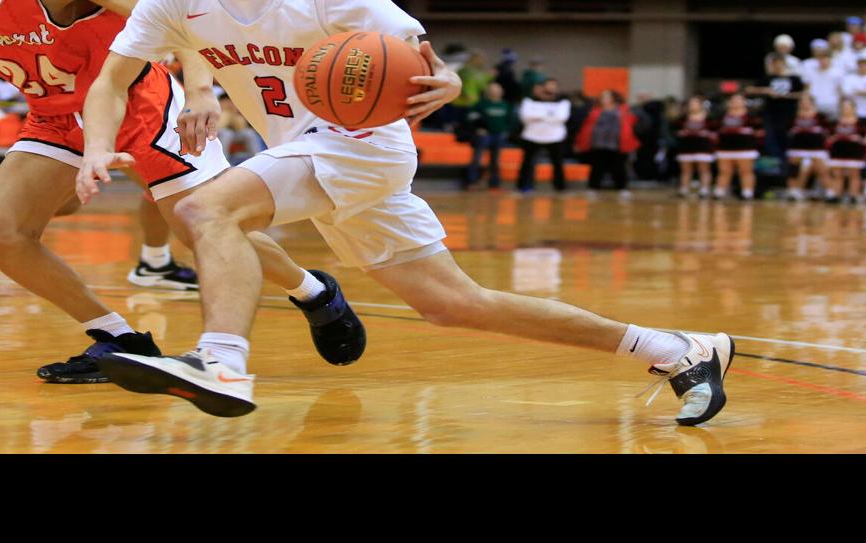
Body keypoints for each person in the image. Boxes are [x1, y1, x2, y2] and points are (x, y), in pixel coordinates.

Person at [80, 0, 739, 426]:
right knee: (455, 303)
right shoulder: (174, 5)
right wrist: (98, 148)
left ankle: (219, 360)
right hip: (309, 153)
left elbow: (419, 53)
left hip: (362, 147)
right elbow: (112, 80)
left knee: (207, 209)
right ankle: (679, 349)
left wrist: (447, 78)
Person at [0, 0, 361, 387]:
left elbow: (181, 20)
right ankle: (117, 338)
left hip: (142, 106)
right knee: (2, 234)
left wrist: (202, 91)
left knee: (204, 227)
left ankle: (315, 293)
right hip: (58, 118)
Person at [573, 88, 637, 194]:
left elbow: (631, 124)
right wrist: (580, 142)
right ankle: (593, 188)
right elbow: (586, 127)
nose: (604, 99)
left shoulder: (623, 110)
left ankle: (622, 188)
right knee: (597, 167)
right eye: (603, 97)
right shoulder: (594, 110)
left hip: (617, 143)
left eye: (607, 96)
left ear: (613, 98)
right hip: (598, 143)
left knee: (619, 167)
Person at [517, 78, 569, 193]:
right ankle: (523, 186)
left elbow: (562, 117)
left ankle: (560, 188)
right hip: (532, 137)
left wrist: (538, 116)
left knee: (558, 164)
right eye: (548, 86)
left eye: (553, 86)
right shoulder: (529, 101)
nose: (550, 88)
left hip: (555, 138)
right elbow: (526, 117)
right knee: (527, 163)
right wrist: (550, 117)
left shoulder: (562, 102)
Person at [749, 52, 803, 160]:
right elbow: (749, 89)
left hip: (789, 113)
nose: (777, 66)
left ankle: (786, 162)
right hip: (771, 113)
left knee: (786, 137)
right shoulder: (768, 78)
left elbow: (803, 93)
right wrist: (766, 90)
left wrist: (788, 95)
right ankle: (776, 161)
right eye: (775, 64)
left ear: (784, 64)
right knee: (771, 137)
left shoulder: (793, 79)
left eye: (780, 63)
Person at [463, 81, 511, 190]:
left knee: (495, 160)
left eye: (497, 89)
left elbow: (511, 120)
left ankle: (494, 183)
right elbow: (471, 117)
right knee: (477, 158)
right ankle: (471, 181)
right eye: (492, 89)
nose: (495, 91)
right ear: (488, 91)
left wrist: (506, 130)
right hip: (484, 135)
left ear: (501, 91)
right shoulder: (481, 104)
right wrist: (478, 128)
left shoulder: (505, 105)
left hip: (499, 135)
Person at [710, 94, 758, 200]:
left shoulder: (751, 116)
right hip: (725, 148)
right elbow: (714, 129)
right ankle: (720, 191)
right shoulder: (721, 115)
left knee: (745, 171)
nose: (736, 102)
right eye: (733, 100)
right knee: (724, 171)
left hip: (745, 148)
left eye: (739, 100)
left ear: (744, 102)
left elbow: (758, 131)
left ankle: (747, 192)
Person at [784, 96, 828, 201]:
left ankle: (830, 192)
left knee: (821, 170)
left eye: (807, 101)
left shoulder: (820, 117)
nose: (804, 104)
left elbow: (827, 132)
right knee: (794, 170)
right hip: (797, 147)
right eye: (802, 101)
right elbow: (788, 130)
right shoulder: (793, 116)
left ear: (812, 103)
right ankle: (793, 191)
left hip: (816, 148)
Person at [825, 99, 866, 204]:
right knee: (837, 174)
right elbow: (828, 136)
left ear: (854, 109)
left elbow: (865, 138)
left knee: (854, 175)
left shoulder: (860, 123)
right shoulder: (834, 122)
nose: (846, 109)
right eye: (844, 107)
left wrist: (856, 138)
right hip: (838, 151)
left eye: (848, 107)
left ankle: (853, 196)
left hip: (854, 151)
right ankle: (836, 195)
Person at [672, 95, 715, 199]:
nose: (693, 105)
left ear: (701, 105)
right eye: (691, 103)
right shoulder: (682, 118)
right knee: (686, 170)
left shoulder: (710, 118)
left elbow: (715, 130)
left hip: (703, 146)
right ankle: (684, 189)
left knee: (704, 169)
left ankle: (704, 189)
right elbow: (674, 129)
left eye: (695, 103)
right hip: (687, 146)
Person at [800, 39, 843, 119]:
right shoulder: (810, 71)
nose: (823, 61)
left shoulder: (838, 72)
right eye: (820, 58)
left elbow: (839, 89)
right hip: (815, 105)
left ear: (830, 59)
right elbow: (807, 88)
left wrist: (840, 105)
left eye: (825, 58)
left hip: (832, 105)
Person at [839, 52, 866, 130]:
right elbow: (845, 93)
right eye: (861, 64)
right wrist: (865, 92)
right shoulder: (849, 78)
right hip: (855, 114)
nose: (863, 67)